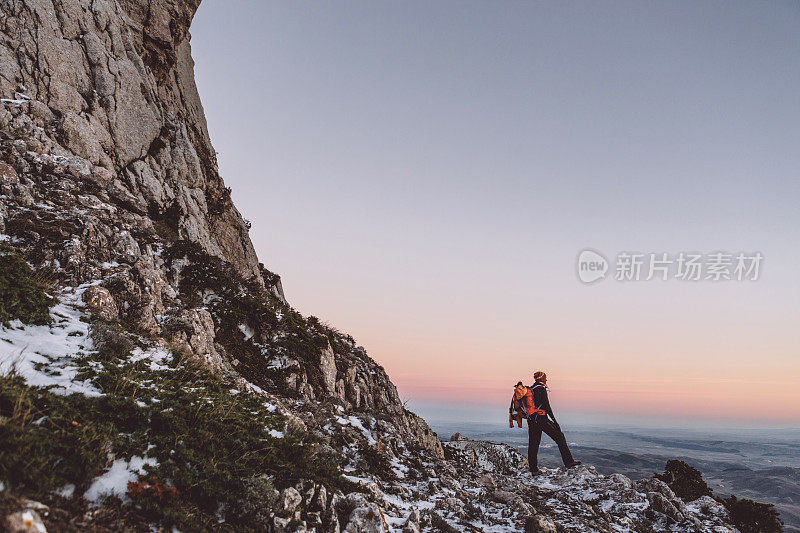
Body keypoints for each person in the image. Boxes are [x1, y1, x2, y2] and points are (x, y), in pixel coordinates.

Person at [509, 371, 580, 475]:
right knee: (559, 437)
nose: (546, 380)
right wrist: (555, 421)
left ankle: (533, 470)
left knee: (533, 444)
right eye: (545, 378)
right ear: (542, 379)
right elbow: (547, 406)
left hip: (531, 420)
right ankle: (568, 462)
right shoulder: (541, 389)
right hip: (541, 418)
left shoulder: (531, 389)